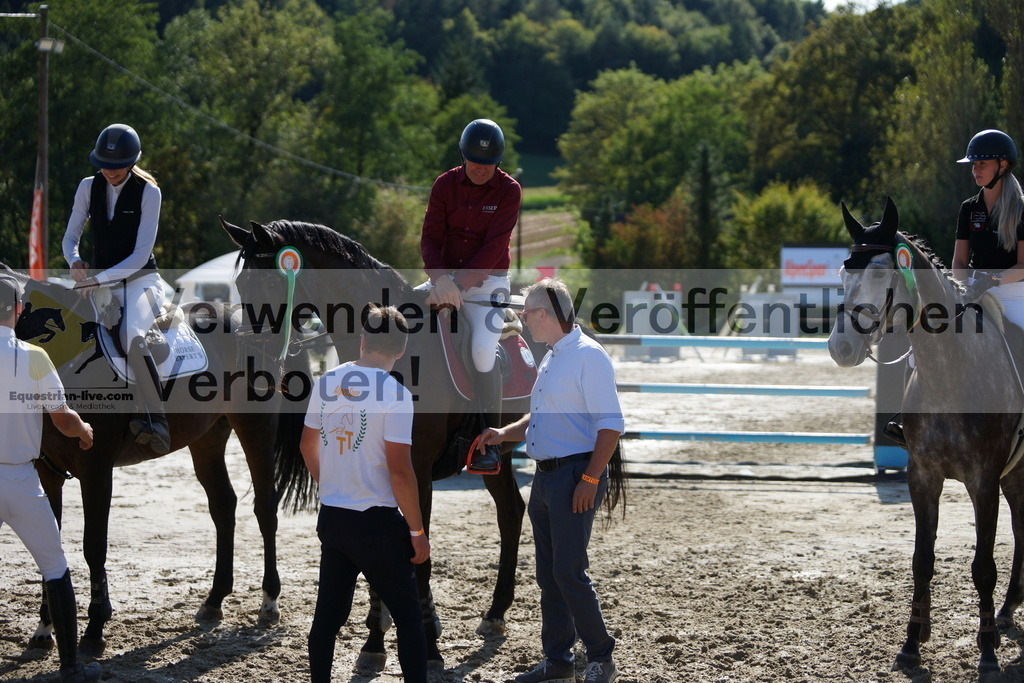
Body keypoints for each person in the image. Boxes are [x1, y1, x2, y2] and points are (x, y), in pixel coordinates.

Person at [476, 278, 623, 683]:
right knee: (550, 575)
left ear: (544, 314)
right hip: (546, 478)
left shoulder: (588, 357)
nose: (522, 319)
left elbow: (611, 425)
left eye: (527, 313)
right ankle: (558, 661)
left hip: (574, 475)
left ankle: (602, 657)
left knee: (569, 573)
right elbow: (539, 416)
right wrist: (504, 433)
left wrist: (590, 478)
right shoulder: (554, 356)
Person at [301, 305, 429, 683]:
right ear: (401, 350)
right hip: (378, 525)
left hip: (334, 518)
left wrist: (330, 484)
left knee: (326, 621)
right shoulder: (396, 394)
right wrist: (417, 531)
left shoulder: (327, 381)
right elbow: (400, 471)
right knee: (409, 619)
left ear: (362, 341)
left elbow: (307, 445)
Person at [886, 129, 1024, 448]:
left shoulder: (1021, 209)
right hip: (972, 289)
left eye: (981, 163)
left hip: (1014, 291)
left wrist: (994, 281)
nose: (975, 169)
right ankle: (908, 419)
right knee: (924, 344)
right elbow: (959, 260)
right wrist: (961, 288)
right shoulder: (969, 209)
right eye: (973, 164)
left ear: (1003, 165)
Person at [0, 275, 101, 683]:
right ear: (18, 310)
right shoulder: (35, 356)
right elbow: (62, 419)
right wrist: (84, 430)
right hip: (22, 480)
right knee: (56, 567)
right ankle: (70, 668)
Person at [418, 118, 522, 475]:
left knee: (481, 350)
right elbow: (430, 238)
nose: (480, 170)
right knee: (398, 318)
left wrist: (457, 287)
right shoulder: (444, 184)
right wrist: (440, 279)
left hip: (489, 283)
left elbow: (493, 248)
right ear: (463, 157)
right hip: (443, 279)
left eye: (488, 165)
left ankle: (487, 443)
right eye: (475, 163)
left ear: (498, 162)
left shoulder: (509, 190)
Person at [62, 123, 170, 454]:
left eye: (117, 166)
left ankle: (156, 418)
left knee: (130, 334)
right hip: (99, 285)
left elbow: (140, 256)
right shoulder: (87, 186)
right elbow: (70, 237)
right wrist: (74, 261)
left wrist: (97, 279)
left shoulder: (149, 193)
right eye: (104, 165)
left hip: (141, 282)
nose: (109, 172)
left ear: (133, 161)